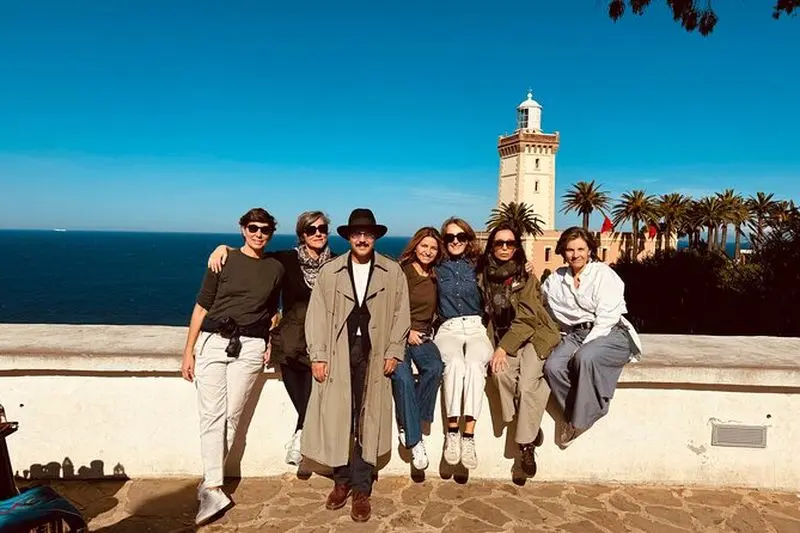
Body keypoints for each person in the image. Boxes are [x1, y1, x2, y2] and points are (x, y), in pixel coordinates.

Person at [301, 208, 410, 523]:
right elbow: (317, 315)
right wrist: (318, 355)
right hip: (338, 350)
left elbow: (401, 314)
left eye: (368, 234)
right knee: (340, 415)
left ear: (374, 237)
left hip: (374, 353)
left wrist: (394, 350)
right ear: (349, 237)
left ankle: (362, 488)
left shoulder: (391, 272)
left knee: (368, 416)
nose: (362, 238)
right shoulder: (331, 271)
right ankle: (341, 480)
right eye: (357, 233)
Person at [181, 208, 284, 526]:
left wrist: (269, 338)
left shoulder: (276, 267)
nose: (258, 234)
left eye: (265, 229)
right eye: (253, 228)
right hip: (213, 341)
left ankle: (208, 481)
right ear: (242, 229)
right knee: (211, 414)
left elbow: (271, 309)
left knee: (232, 417)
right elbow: (202, 305)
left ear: (271, 233)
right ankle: (213, 487)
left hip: (251, 347)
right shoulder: (222, 258)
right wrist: (188, 351)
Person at [207, 211, 335, 466]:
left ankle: (300, 433)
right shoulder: (286, 259)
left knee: (319, 382)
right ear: (302, 234)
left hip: (323, 337)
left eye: (322, 229)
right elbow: (254, 254)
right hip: (291, 337)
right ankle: (303, 433)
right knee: (291, 366)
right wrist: (223, 248)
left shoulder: (336, 264)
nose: (318, 233)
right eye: (311, 230)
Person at [541, 226, 643, 448]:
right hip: (575, 334)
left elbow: (607, 318)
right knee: (553, 367)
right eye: (570, 249)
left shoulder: (602, 274)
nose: (575, 254)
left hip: (610, 332)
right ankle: (582, 413)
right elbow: (539, 300)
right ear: (563, 251)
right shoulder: (555, 280)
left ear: (589, 250)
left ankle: (578, 421)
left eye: (580, 249)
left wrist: (583, 346)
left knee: (584, 358)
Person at [478, 223, 561, 476]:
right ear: (491, 246)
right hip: (505, 338)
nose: (504, 248)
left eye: (510, 243)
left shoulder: (526, 277)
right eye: (499, 243)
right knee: (501, 374)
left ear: (517, 247)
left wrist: (502, 348)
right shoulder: (482, 275)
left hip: (534, 337)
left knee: (527, 384)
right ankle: (530, 426)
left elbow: (527, 319)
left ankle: (525, 445)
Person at [433, 217, 493, 470]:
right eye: (449, 237)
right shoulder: (436, 267)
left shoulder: (480, 266)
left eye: (460, 237)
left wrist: (527, 268)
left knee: (475, 364)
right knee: (455, 364)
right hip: (449, 328)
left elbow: (506, 273)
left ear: (469, 239)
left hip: (477, 328)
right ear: (443, 240)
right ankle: (453, 433)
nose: (455, 241)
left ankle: (469, 436)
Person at [392, 227, 445, 471]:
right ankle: (415, 440)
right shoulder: (403, 272)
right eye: (424, 246)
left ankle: (409, 417)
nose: (428, 251)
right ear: (415, 246)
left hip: (423, 334)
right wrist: (406, 331)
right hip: (398, 334)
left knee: (434, 368)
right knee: (402, 377)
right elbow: (389, 307)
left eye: (433, 248)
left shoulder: (436, 274)